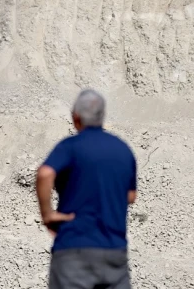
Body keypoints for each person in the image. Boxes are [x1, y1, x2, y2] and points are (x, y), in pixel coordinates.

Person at [36, 89, 138, 289]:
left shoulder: (70, 146)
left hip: (74, 249)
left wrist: (47, 214)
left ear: (76, 118)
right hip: (114, 250)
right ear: (102, 116)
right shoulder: (123, 149)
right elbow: (131, 196)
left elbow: (45, 174)